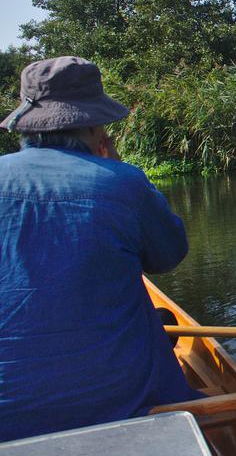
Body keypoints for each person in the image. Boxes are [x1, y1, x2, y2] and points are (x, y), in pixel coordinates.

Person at [0, 56, 201, 441]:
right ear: (94, 126)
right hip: (116, 404)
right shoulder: (121, 183)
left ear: (25, 126)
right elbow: (168, 256)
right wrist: (118, 168)